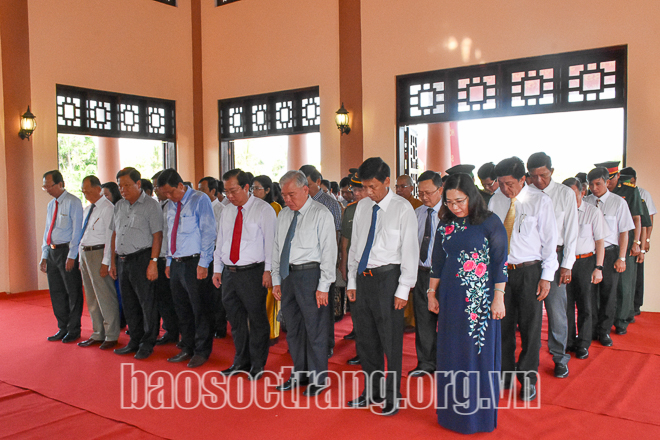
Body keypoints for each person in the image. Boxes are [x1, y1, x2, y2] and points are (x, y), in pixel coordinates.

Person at [427, 173, 507, 434]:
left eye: (459, 201)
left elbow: (500, 263)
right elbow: (437, 262)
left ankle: (478, 417)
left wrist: (498, 298)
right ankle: (452, 415)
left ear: (471, 196)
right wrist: (431, 293)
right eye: (449, 202)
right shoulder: (445, 224)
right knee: (451, 353)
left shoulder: (490, 222)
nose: (455, 207)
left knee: (477, 356)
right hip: (450, 299)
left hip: (479, 302)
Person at [346, 157, 418, 416]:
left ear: (387, 181)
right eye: (364, 187)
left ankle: (392, 394)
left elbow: (410, 251)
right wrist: (351, 280)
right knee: (366, 339)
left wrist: (403, 289)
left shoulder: (402, 208)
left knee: (390, 340)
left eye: (373, 187)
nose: (368, 192)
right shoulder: (362, 206)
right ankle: (372, 390)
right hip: (363, 279)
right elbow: (355, 246)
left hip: (389, 279)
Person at [488, 157, 557, 401]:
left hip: (529, 271)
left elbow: (550, 242)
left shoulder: (540, 201)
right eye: (501, 183)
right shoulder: (495, 200)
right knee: (502, 325)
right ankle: (504, 374)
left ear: (522, 179)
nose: (505, 189)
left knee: (530, 327)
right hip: (501, 273)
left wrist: (546, 277)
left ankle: (527, 379)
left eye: (509, 184)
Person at [271, 171, 337, 396]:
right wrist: (276, 279)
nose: (287, 200)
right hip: (288, 276)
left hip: (311, 275)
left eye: (291, 194)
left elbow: (329, 252)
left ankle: (318, 378)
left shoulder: (321, 213)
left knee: (315, 329)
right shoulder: (284, 215)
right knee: (293, 329)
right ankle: (299, 373)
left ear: (305, 190)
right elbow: (277, 248)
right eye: (284, 195)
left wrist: (324, 286)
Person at [213, 169, 276, 380]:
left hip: (253, 272)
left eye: (233, 191)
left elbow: (271, 243)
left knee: (257, 319)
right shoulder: (227, 211)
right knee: (236, 320)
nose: (229, 196)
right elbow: (221, 241)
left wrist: (268, 271)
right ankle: (240, 361)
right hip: (229, 273)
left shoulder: (263, 209)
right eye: (226, 192)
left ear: (246, 187)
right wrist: (217, 269)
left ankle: (257, 364)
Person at [159, 169, 217, 368]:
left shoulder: (200, 199)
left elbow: (208, 232)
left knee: (200, 309)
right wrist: (169, 261)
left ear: (181, 185)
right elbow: (171, 234)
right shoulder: (170, 205)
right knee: (182, 308)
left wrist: (204, 263)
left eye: (170, 192)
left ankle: (202, 351)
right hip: (176, 262)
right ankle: (187, 346)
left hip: (195, 262)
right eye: (165, 194)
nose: (168, 196)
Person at [526, 152, 577, 379]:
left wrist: (567, 264)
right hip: (531, 260)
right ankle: (530, 359)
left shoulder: (565, 194)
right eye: (533, 176)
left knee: (557, 312)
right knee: (530, 312)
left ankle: (559, 358)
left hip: (556, 258)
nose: (539, 181)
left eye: (543, 175)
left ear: (552, 171)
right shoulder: (525, 195)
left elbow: (572, 231)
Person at [109, 167, 163, 360]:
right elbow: (114, 234)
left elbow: (157, 235)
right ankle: (134, 340)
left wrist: (153, 262)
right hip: (123, 260)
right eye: (119, 186)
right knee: (129, 303)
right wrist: (112, 261)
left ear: (138, 184)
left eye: (126, 185)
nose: (122, 189)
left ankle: (148, 343)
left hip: (142, 258)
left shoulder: (151, 205)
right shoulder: (119, 206)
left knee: (147, 303)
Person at [583, 167, 634, 347]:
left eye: (598, 184)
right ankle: (590, 329)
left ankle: (604, 331)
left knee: (608, 293)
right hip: (589, 254)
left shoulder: (618, 202)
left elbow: (624, 232)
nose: (594, 188)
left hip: (610, 252)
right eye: (591, 184)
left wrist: (622, 258)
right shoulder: (586, 201)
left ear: (607, 182)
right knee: (589, 294)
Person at [598, 161, 649, 335]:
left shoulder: (630, 191)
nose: (608, 182)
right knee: (604, 284)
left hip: (625, 244)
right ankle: (603, 320)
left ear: (618, 176)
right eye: (605, 179)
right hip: (604, 245)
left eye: (611, 178)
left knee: (624, 284)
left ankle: (621, 320)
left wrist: (637, 243)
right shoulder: (596, 191)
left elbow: (637, 219)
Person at [299, 165, 342, 357]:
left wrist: (333, 262)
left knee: (324, 306)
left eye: (307, 184)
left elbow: (336, 235)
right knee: (305, 307)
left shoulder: (329, 203)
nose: (304, 189)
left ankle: (327, 343)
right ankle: (306, 343)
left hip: (323, 262)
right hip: (302, 265)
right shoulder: (298, 202)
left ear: (318, 181)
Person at [562, 177, 606, 359]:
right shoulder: (560, 212)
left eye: (573, 194)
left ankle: (583, 343)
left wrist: (598, 267)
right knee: (566, 304)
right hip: (565, 263)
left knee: (585, 305)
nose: (569, 199)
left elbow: (600, 241)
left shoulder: (593, 212)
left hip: (585, 262)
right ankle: (569, 341)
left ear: (582, 192)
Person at [40, 170, 84, 343]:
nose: (47, 189)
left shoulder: (73, 202)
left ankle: (74, 329)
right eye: (44, 187)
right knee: (56, 291)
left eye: (49, 186)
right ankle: (62, 327)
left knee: (72, 291)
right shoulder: (51, 204)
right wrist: (44, 254)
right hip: (52, 251)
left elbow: (77, 231)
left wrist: (72, 255)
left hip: (67, 252)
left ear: (60, 184)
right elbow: (47, 230)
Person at [77, 175, 120, 350]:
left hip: (99, 253)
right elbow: (84, 234)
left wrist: (106, 262)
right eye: (83, 191)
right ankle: (98, 332)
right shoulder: (88, 209)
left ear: (98, 189)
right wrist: (79, 257)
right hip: (85, 253)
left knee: (105, 295)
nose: (85, 194)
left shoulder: (108, 208)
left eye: (87, 191)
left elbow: (110, 237)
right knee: (91, 296)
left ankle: (111, 334)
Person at [409, 170, 443, 377]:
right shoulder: (418, 213)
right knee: (423, 319)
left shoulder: (450, 213)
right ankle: (425, 362)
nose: (424, 197)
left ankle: (446, 361)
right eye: (420, 193)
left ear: (440, 190)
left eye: (428, 192)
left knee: (445, 319)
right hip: (422, 273)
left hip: (443, 275)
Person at [252, 174, 283, 343]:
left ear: (267, 190)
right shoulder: (253, 208)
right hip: (255, 259)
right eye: (252, 188)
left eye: (257, 188)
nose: (254, 192)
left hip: (270, 258)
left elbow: (274, 237)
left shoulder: (274, 207)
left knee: (270, 297)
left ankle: (272, 333)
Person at [339, 170, 365, 365]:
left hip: (374, 268)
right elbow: (345, 240)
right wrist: (343, 264)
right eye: (353, 189)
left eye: (359, 189)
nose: (355, 193)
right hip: (353, 266)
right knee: (356, 307)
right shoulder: (350, 210)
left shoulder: (381, 209)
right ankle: (361, 347)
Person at [621, 167, 656, 315]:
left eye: (631, 181)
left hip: (638, 239)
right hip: (625, 240)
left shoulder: (642, 193)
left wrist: (645, 240)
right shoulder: (620, 192)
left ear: (635, 180)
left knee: (637, 274)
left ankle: (636, 305)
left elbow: (648, 219)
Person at [152, 171, 180, 346]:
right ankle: (170, 330)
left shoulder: (175, 205)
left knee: (176, 298)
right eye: (155, 186)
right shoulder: (157, 206)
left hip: (173, 259)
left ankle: (180, 331)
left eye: (159, 186)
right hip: (159, 258)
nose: (157, 190)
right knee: (162, 298)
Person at [198, 176, 228, 339]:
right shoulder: (199, 208)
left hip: (216, 255)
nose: (199, 193)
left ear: (213, 191)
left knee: (216, 294)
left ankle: (220, 326)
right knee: (203, 293)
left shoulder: (222, 210)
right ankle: (207, 325)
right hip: (201, 255)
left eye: (202, 190)